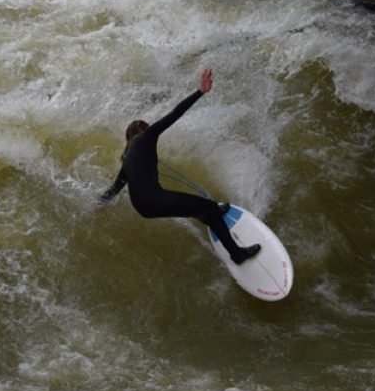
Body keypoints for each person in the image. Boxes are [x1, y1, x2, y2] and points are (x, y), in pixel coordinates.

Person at [98, 69, 261, 265]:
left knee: (195, 206)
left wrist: (98, 205)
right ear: (144, 131)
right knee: (209, 207)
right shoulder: (146, 136)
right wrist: (200, 92)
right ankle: (237, 254)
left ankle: (205, 214)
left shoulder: (127, 157)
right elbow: (174, 114)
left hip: (143, 207)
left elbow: (115, 188)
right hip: (154, 200)